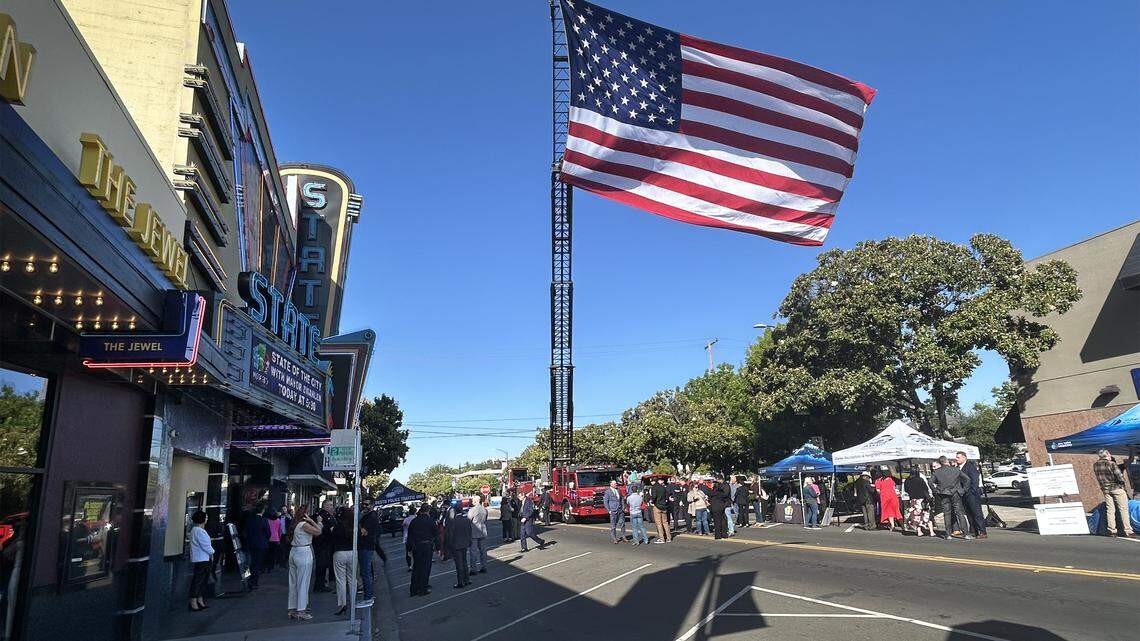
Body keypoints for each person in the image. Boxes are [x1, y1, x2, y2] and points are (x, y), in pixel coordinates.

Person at [287, 506, 323, 620]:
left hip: (293, 551)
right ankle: (301, 611)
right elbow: (318, 532)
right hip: (303, 552)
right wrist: (315, 522)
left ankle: (292, 608)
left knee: (293, 582)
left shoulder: (295, 525)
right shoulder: (304, 525)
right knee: (303, 582)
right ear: (305, 514)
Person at [1094, 449, 1136, 538]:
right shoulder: (1112, 464)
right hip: (1116, 488)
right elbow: (1119, 476)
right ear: (1107, 455)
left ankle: (1112, 530)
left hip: (1106, 490)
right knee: (1123, 509)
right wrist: (1122, 482)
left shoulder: (1096, 465)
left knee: (1110, 510)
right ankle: (1128, 530)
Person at [931, 455, 972, 539]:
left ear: (940, 463)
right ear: (947, 461)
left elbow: (930, 482)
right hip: (956, 493)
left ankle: (948, 534)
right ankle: (966, 533)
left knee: (947, 514)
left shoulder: (937, 472)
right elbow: (967, 479)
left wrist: (936, 490)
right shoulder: (955, 470)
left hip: (943, 494)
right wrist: (963, 490)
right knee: (960, 513)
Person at [956, 451, 988, 539]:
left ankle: (982, 531)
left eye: (958, 457)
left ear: (964, 457)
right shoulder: (958, 468)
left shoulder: (970, 466)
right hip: (964, 494)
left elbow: (974, 479)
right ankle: (973, 531)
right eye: (957, 457)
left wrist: (973, 491)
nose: (957, 459)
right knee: (969, 513)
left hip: (972, 494)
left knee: (976, 512)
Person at [407, 505, 437, 596]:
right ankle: (423, 588)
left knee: (416, 567)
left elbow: (410, 536)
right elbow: (436, 533)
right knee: (425, 567)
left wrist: (409, 549)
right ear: (428, 511)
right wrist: (438, 547)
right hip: (427, 545)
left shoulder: (414, 521)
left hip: (416, 546)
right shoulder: (430, 521)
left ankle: (413, 589)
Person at [331, 507, 355, 615]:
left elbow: (333, 538)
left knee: (340, 580)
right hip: (352, 552)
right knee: (352, 578)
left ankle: (343, 604)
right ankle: (353, 602)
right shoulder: (353, 525)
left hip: (339, 552)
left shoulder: (337, 526)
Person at [188, 511, 213, 612]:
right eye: (205, 517)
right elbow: (206, 545)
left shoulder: (196, 530)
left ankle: (199, 600)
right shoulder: (199, 531)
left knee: (201, 580)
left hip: (202, 558)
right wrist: (212, 552)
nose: (207, 519)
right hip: (202, 559)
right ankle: (193, 601)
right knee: (198, 580)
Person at [357, 499, 379, 607]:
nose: (364, 506)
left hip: (366, 546)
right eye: (363, 504)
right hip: (365, 546)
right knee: (366, 571)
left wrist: (358, 524)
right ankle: (369, 595)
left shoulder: (371, 517)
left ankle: (368, 597)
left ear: (372, 505)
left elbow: (364, 532)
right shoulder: (368, 516)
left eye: (367, 504)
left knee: (366, 572)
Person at [243, 503, 271, 590]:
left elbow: (245, 532)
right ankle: (254, 582)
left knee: (248, 563)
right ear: (262, 511)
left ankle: (247, 579)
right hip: (261, 545)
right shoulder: (264, 520)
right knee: (257, 564)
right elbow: (268, 533)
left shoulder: (249, 520)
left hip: (250, 544)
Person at [444, 507, 473, 588]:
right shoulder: (466, 520)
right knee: (464, 562)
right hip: (464, 543)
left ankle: (461, 582)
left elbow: (450, 534)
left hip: (456, 544)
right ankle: (467, 580)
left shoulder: (453, 522)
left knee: (459, 564)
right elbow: (470, 531)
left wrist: (449, 545)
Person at [312, 499, 336, 592]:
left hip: (328, 544)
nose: (331, 507)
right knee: (321, 565)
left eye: (331, 505)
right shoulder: (322, 515)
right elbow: (324, 529)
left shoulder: (330, 515)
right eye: (329, 505)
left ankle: (323, 583)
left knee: (325, 564)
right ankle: (319, 585)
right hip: (323, 544)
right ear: (324, 506)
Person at [467, 495, 489, 574]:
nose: (472, 501)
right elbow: (485, 519)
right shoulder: (484, 509)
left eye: (473, 500)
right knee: (483, 551)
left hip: (474, 532)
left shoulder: (472, 510)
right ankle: (484, 566)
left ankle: (473, 569)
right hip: (482, 531)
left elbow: (468, 520)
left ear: (476, 501)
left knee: (473, 552)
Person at [649, 477, 671, 543]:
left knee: (659, 523)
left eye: (651, 481)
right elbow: (667, 496)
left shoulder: (654, 487)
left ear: (653, 481)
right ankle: (668, 537)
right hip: (664, 506)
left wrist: (651, 501)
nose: (651, 482)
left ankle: (662, 538)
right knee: (665, 522)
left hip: (657, 506)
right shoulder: (663, 487)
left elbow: (654, 496)